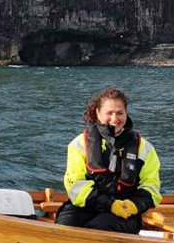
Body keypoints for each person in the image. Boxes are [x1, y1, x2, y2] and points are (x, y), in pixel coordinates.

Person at [55, 87, 162, 234]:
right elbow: (76, 185)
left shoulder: (145, 148)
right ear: (98, 113)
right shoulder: (79, 144)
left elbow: (151, 186)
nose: (114, 119)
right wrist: (109, 204)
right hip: (87, 205)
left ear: (126, 113)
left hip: (125, 212)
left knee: (99, 228)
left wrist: (135, 205)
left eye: (119, 113)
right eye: (109, 113)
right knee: (63, 227)